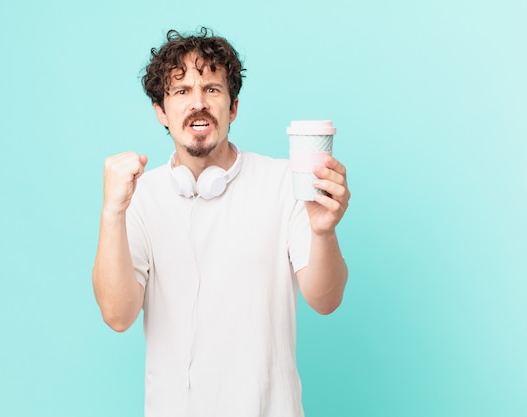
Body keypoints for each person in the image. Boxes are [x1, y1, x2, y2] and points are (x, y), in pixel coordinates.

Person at [92, 27, 350, 417]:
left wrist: (324, 231)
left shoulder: (284, 182)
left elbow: (326, 300)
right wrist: (112, 213)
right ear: (161, 110)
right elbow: (117, 315)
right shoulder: (139, 195)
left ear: (232, 107)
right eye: (181, 92)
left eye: (212, 89)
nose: (198, 103)